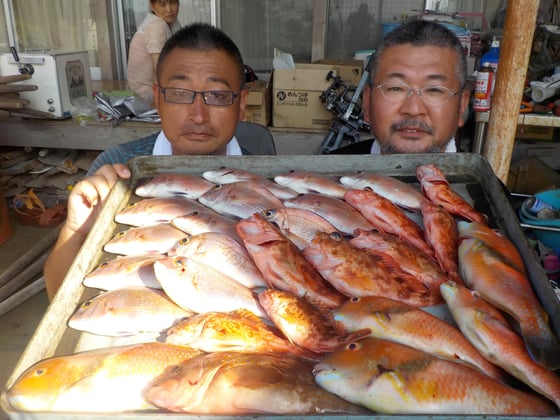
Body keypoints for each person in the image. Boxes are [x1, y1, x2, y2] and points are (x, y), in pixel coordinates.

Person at [44, 22, 249, 300]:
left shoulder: (266, 182)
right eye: (179, 93)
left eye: (217, 95)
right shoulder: (118, 170)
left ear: (242, 104)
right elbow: (58, 295)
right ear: (157, 99)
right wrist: (77, 231)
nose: (198, 115)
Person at [331, 19, 471, 154]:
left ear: (461, 106)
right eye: (396, 88)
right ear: (367, 103)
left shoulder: (478, 171)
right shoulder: (329, 168)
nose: (413, 110)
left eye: (434, 90)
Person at [127, 0, 182, 105]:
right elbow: (158, 69)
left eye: (173, 2)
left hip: (151, 89)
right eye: (162, 4)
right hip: (147, 95)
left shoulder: (171, 23)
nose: (169, 9)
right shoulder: (157, 26)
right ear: (152, 6)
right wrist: (160, 103)